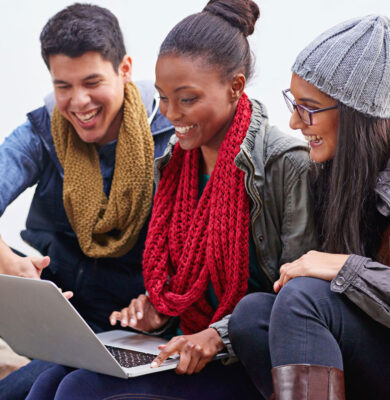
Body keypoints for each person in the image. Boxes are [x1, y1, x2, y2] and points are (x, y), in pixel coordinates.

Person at [25, 0, 318, 399]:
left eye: (187, 98)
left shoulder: (287, 164)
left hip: (244, 359)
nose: (171, 113)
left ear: (235, 87)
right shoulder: (173, 164)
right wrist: (157, 313)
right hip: (182, 345)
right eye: (163, 97)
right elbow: (189, 282)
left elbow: (295, 299)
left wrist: (217, 335)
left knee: (76, 393)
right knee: (55, 385)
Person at [0, 3, 174, 399]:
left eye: (92, 82)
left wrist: (162, 305)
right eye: (63, 85)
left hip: (132, 328)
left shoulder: (171, 135)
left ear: (125, 69)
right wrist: (7, 261)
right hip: (60, 313)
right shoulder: (42, 130)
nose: (78, 101)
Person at [229, 14, 390, 400]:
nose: (294, 121)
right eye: (293, 102)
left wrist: (344, 266)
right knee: (252, 316)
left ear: (356, 115)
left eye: (309, 107)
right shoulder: (328, 175)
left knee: (304, 298)